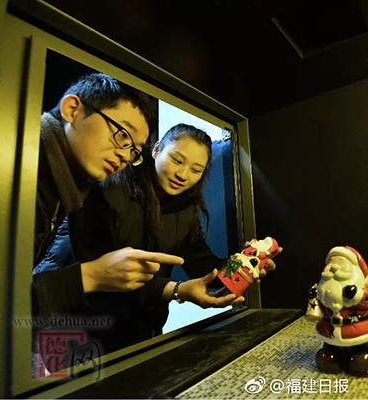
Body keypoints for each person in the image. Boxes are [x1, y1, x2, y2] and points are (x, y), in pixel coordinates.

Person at [36, 123, 281, 354]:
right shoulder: (109, 187)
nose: (183, 174)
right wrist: (176, 290)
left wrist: (240, 266)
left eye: (196, 170)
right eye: (176, 160)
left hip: (140, 329)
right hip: (78, 323)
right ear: (156, 150)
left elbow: (200, 260)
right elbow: (103, 271)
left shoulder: (186, 207)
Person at [33, 72, 185, 318]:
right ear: (72, 110)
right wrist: (91, 276)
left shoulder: (68, 187)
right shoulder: (20, 168)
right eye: (123, 134)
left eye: (134, 151)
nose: (125, 156)